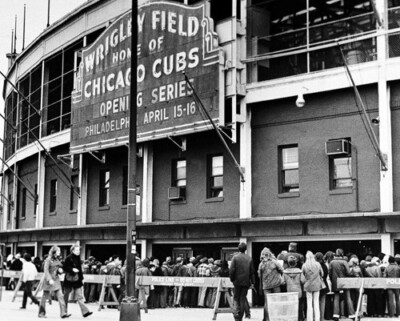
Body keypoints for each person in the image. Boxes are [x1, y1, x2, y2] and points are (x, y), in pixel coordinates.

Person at [63, 244, 93, 318]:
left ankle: (85, 312)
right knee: (66, 296)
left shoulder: (78, 258)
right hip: (69, 279)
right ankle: (64, 312)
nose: (78, 251)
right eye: (77, 250)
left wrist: (81, 279)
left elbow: (79, 270)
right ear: (72, 250)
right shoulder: (68, 258)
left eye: (79, 250)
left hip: (77, 280)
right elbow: (65, 267)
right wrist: (72, 269)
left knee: (79, 296)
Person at [39, 245, 69, 318]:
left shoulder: (57, 259)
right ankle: (41, 313)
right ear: (54, 252)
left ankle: (63, 313)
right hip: (48, 280)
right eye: (58, 251)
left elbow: (59, 268)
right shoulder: (48, 259)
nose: (60, 252)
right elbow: (46, 270)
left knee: (61, 296)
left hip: (56, 279)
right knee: (44, 297)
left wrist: (60, 271)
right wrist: (49, 279)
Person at [229, 242, 255, 321]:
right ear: (246, 249)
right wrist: (253, 282)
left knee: (236, 298)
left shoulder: (235, 258)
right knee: (243, 298)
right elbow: (252, 272)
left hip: (237, 281)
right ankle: (241, 316)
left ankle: (237, 316)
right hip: (246, 281)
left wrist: (232, 279)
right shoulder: (249, 258)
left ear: (238, 248)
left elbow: (232, 270)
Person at [329, 248, 354, 321]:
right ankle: (351, 314)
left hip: (335, 282)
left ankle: (335, 315)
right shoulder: (344, 262)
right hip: (344, 282)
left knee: (336, 298)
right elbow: (348, 273)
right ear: (342, 254)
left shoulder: (332, 262)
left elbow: (330, 273)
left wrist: (333, 281)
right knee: (348, 297)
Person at [258, 247, 283, 321]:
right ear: (270, 254)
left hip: (266, 286)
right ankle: (277, 317)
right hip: (276, 284)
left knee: (267, 302)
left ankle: (266, 318)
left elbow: (259, 275)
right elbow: (281, 270)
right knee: (277, 301)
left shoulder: (261, 264)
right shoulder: (274, 262)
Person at [302, 251, 323, 321]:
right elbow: (322, 274)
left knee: (309, 303)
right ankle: (317, 319)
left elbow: (303, 276)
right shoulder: (318, 264)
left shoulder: (304, 265)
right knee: (316, 303)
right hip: (317, 285)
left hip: (308, 286)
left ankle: (309, 319)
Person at [283, 255, 304, 321]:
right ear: (296, 263)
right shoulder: (300, 271)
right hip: (298, 291)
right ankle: (300, 318)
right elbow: (303, 281)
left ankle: (292, 318)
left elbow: (282, 282)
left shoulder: (285, 272)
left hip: (289, 291)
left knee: (291, 305)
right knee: (299, 305)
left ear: (288, 263)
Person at [315, 252, 329, 321]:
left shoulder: (314, 265)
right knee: (323, 302)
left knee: (316, 302)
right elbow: (325, 275)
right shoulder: (324, 265)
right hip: (323, 285)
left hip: (316, 285)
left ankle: (316, 317)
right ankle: (322, 318)